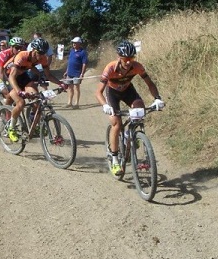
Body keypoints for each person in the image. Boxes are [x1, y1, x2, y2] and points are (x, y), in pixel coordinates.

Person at [95, 40, 165, 175]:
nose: (128, 62)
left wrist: (157, 98)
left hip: (128, 91)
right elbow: (98, 92)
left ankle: (129, 135)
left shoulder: (137, 66)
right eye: (125, 59)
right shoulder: (110, 68)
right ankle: (115, 160)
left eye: (131, 58)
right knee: (116, 123)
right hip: (112, 92)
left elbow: (149, 83)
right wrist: (105, 105)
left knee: (140, 110)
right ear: (119, 57)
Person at [4, 37, 67, 142]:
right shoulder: (21, 56)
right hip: (12, 78)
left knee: (38, 101)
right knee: (20, 103)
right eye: (39, 53)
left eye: (43, 53)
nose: (41, 56)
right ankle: (11, 128)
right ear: (33, 50)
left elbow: (49, 75)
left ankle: (33, 124)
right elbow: (11, 76)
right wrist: (20, 91)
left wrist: (61, 83)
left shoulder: (42, 58)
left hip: (24, 77)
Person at [63, 36, 88, 109]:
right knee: (70, 88)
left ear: (79, 43)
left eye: (75, 43)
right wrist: (66, 71)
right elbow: (69, 62)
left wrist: (82, 74)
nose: (73, 44)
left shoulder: (82, 52)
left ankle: (76, 103)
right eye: (73, 42)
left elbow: (84, 64)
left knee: (77, 88)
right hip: (69, 73)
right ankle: (69, 102)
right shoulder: (72, 51)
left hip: (77, 73)